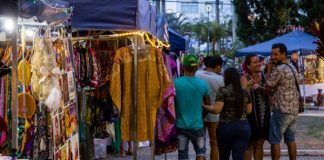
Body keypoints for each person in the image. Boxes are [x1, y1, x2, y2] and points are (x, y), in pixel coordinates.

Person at [203, 67, 252, 160]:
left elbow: (217, 109)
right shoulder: (244, 91)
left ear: (226, 77)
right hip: (243, 126)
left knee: (224, 156)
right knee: (239, 156)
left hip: (226, 127)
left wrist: (204, 106)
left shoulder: (223, 90)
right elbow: (249, 111)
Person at [265, 43, 301, 160]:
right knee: (291, 140)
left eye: (276, 54)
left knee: (274, 140)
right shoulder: (292, 66)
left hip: (281, 111)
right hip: (294, 111)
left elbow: (268, 86)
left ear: (284, 54)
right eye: (272, 54)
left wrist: (269, 70)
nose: (273, 57)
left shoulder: (279, 69)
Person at [174, 54, 210, 160]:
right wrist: (200, 116)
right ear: (196, 67)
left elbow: (171, 105)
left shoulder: (175, 83)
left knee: (183, 155)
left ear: (183, 67)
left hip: (181, 126)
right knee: (201, 153)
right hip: (198, 125)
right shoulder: (203, 84)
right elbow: (207, 105)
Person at [241, 54, 270, 160]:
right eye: (255, 62)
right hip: (250, 117)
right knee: (249, 145)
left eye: (259, 61)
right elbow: (243, 97)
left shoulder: (264, 76)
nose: (258, 64)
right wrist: (248, 87)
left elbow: (269, 92)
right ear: (248, 66)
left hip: (264, 117)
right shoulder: (245, 78)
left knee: (260, 144)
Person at [196, 56, 224, 160]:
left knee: (200, 143)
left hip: (199, 114)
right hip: (214, 115)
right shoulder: (221, 79)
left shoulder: (197, 74)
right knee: (215, 143)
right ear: (217, 67)